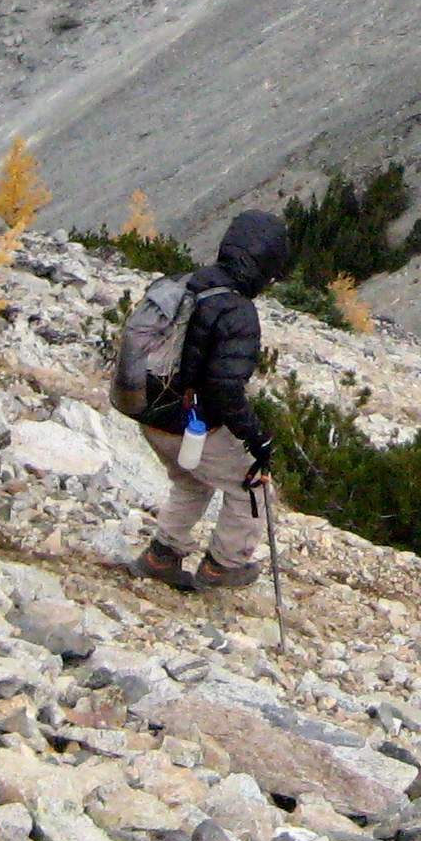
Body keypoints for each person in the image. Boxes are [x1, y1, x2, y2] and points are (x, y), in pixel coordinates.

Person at [127, 209, 291, 593]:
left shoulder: (185, 283)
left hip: (148, 411)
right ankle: (224, 567)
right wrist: (255, 438)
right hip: (187, 424)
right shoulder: (238, 310)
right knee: (251, 484)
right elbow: (224, 388)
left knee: (191, 480)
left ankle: (161, 557)